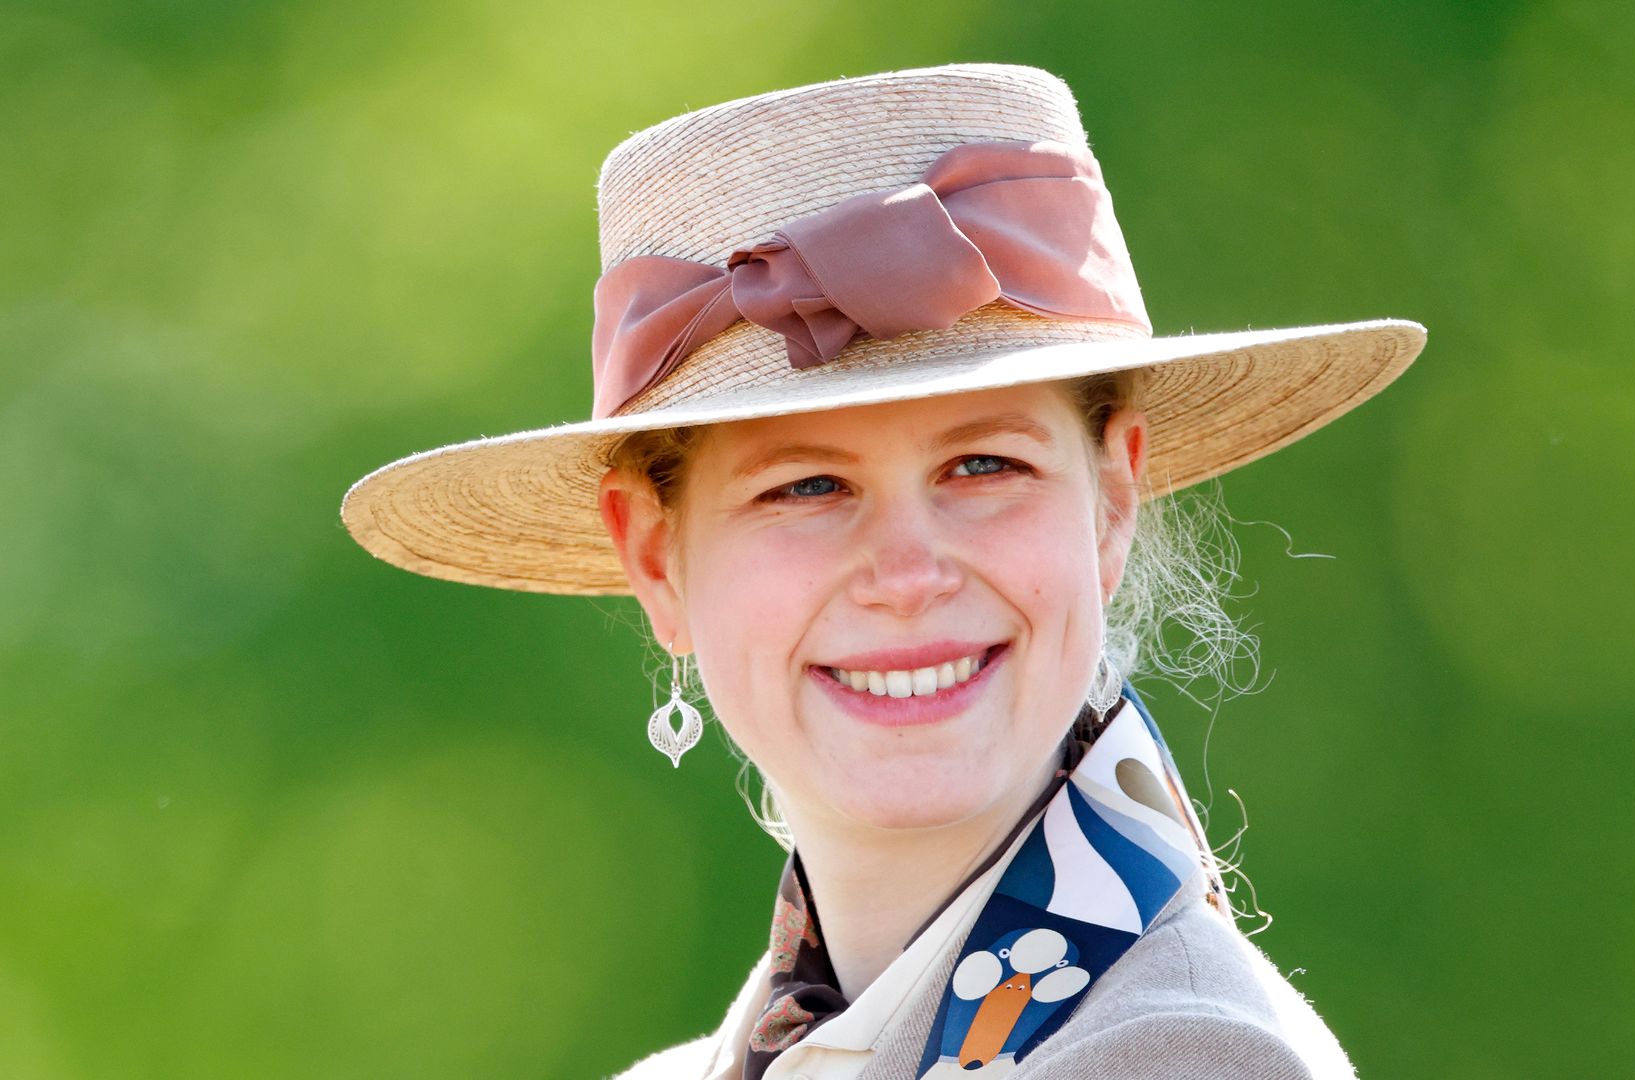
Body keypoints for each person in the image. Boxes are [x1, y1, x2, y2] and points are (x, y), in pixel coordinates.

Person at [340, 63, 1425, 1080]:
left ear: (1112, 500)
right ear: (656, 557)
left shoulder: (1182, 1056)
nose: (906, 574)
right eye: (806, 488)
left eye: (985, 464)